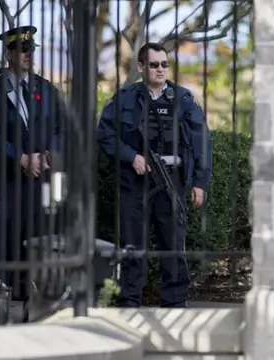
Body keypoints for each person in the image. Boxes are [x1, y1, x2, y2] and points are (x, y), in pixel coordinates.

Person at [96, 42, 212, 308]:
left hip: (172, 180)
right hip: (134, 183)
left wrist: (200, 182)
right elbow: (104, 135)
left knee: (173, 244)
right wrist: (131, 156)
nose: (160, 70)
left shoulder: (183, 99)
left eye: (164, 64)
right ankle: (130, 301)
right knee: (132, 245)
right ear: (141, 67)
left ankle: (174, 302)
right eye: (154, 65)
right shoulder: (124, 98)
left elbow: (201, 143)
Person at [0, 25, 67, 302]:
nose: (29, 55)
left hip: (42, 177)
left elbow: (62, 128)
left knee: (40, 238)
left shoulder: (46, 88)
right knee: (4, 239)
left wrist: (47, 156)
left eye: (32, 50)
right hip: (8, 178)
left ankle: (37, 302)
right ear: (9, 53)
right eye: (23, 50)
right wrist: (19, 157)